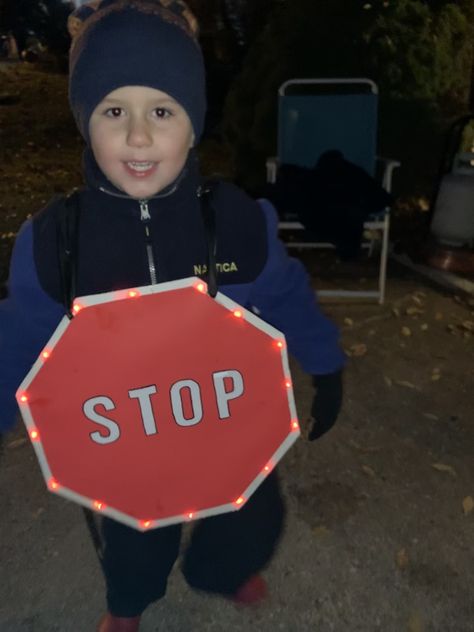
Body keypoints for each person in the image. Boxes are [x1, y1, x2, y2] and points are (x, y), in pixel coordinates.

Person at [0, 1, 345, 630]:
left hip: (226, 418)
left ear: (194, 123)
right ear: (86, 123)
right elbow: (18, 339)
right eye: (114, 112)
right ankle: (129, 604)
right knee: (132, 538)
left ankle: (220, 569)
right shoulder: (56, 240)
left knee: (252, 519)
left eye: (162, 111)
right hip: (121, 435)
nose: (138, 137)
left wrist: (326, 360)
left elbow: (286, 291)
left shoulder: (236, 220)